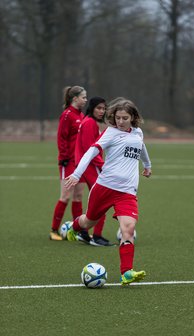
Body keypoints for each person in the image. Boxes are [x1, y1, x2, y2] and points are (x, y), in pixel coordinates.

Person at [65, 98, 152, 285]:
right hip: (105, 187)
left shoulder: (138, 133)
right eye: (117, 117)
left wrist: (147, 165)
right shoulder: (110, 133)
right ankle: (74, 227)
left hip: (127, 192)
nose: (120, 121)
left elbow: (142, 147)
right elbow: (91, 151)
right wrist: (76, 173)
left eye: (125, 118)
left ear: (133, 117)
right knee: (89, 220)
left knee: (128, 229)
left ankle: (126, 272)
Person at [74, 96, 114, 246]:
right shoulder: (89, 123)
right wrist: (103, 165)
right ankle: (97, 236)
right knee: (102, 199)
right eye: (99, 108)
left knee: (94, 200)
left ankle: (84, 233)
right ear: (92, 108)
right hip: (91, 167)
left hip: (87, 166)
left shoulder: (87, 121)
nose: (101, 111)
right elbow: (90, 149)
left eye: (104, 108)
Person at [49, 85, 87, 241]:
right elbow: (61, 137)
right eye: (83, 97)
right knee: (65, 196)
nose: (85, 100)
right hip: (68, 161)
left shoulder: (82, 115)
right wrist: (64, 157)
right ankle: (53, 230)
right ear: (75, 98)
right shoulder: (67, 115)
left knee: (78, 196)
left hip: (80, 162)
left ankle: (77, 231)